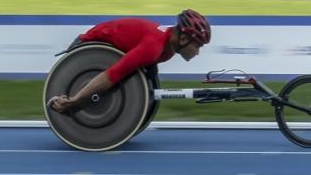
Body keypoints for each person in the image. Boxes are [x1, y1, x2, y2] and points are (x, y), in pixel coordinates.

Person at [49, 9, 211, 113]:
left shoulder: (167, 50)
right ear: (183, 39)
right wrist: (75, 102)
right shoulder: (153, 47)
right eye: (197, 46)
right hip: (87, 46)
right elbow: (111, 76)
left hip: (112, 49)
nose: (197, 52)